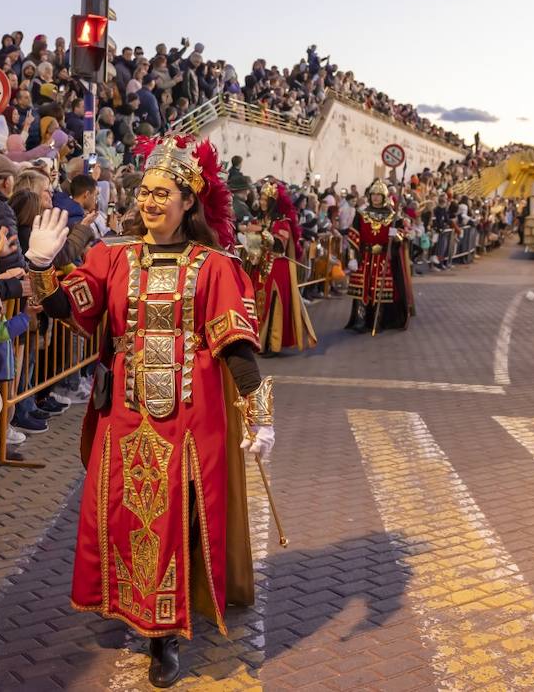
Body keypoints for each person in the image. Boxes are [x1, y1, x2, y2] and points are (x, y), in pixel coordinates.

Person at [23, 134, 274, 688]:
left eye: (164, 193)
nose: (152, 201)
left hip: (191, 418)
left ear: (188, 202)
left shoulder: (214, 266)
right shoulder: (112, 256)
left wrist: (259, 413)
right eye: (146, 192)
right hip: (126, 414)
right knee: (123, 515)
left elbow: (235, 344)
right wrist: (41, 265)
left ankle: (164, 636)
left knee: (178, 520)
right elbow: (71, 306)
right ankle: (135, 610)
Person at [242, 180, 317, 354]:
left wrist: (260, 231)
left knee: (272, 303)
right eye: (261, 198)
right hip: (258, 266)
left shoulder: (282, 222)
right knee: (256, 302)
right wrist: (251, 239)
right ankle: (255, 340)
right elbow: (253, 245)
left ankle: (271, 343)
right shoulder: (256, 219)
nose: (262, 202)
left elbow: (278, 246)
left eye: (265, 199)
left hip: (276, 267)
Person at [345, 178, 415, 333]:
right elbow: (354, 237)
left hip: (383, 258)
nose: (376, 197)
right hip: (365, 257)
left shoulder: (392, 216)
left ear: (384, 197)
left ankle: (378, 321)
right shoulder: (361, 214)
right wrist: (352, 257)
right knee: (362, 289)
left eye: (379, 195)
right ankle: (360, 320)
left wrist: (396, 235)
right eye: (373, 194)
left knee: (380, 290)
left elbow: (402, 236)